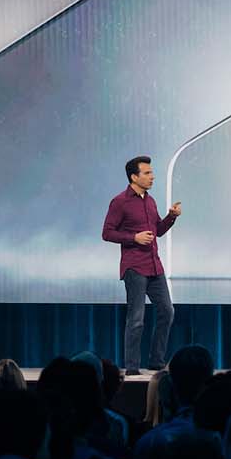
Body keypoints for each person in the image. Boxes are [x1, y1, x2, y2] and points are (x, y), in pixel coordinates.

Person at [101, 155, 183, 376]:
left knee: (167, 310)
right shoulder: (120, 202)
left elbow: (158, 231)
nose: (152, 177)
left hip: (154, 266)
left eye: (151, 172)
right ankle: (132, 367)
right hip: (134, 266)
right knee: (136, 318)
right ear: (134, 177)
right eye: (147, 173)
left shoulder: (150, 201)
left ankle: (156, 361)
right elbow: (107, 233)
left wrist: (171, 217)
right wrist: (133, 238)